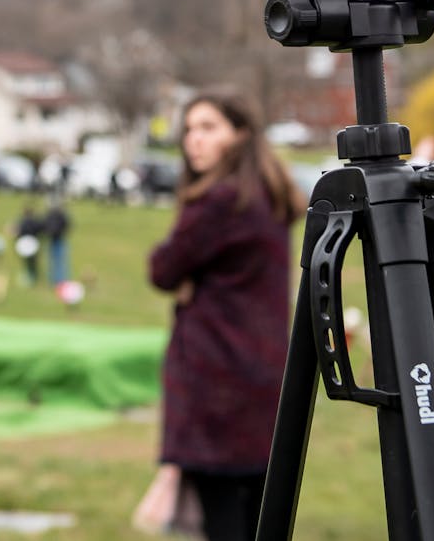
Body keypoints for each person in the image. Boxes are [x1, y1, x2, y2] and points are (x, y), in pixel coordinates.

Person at [146, 88, 306, 541]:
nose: (193, 140)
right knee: (260, 508)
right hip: (263, 369)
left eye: (208, 128)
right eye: (189, 129)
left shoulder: (220, 201)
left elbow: (162, 269)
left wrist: (186, 278)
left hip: (217, 378)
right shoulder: (268, 196)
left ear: (239, 134)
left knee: (224, 514)